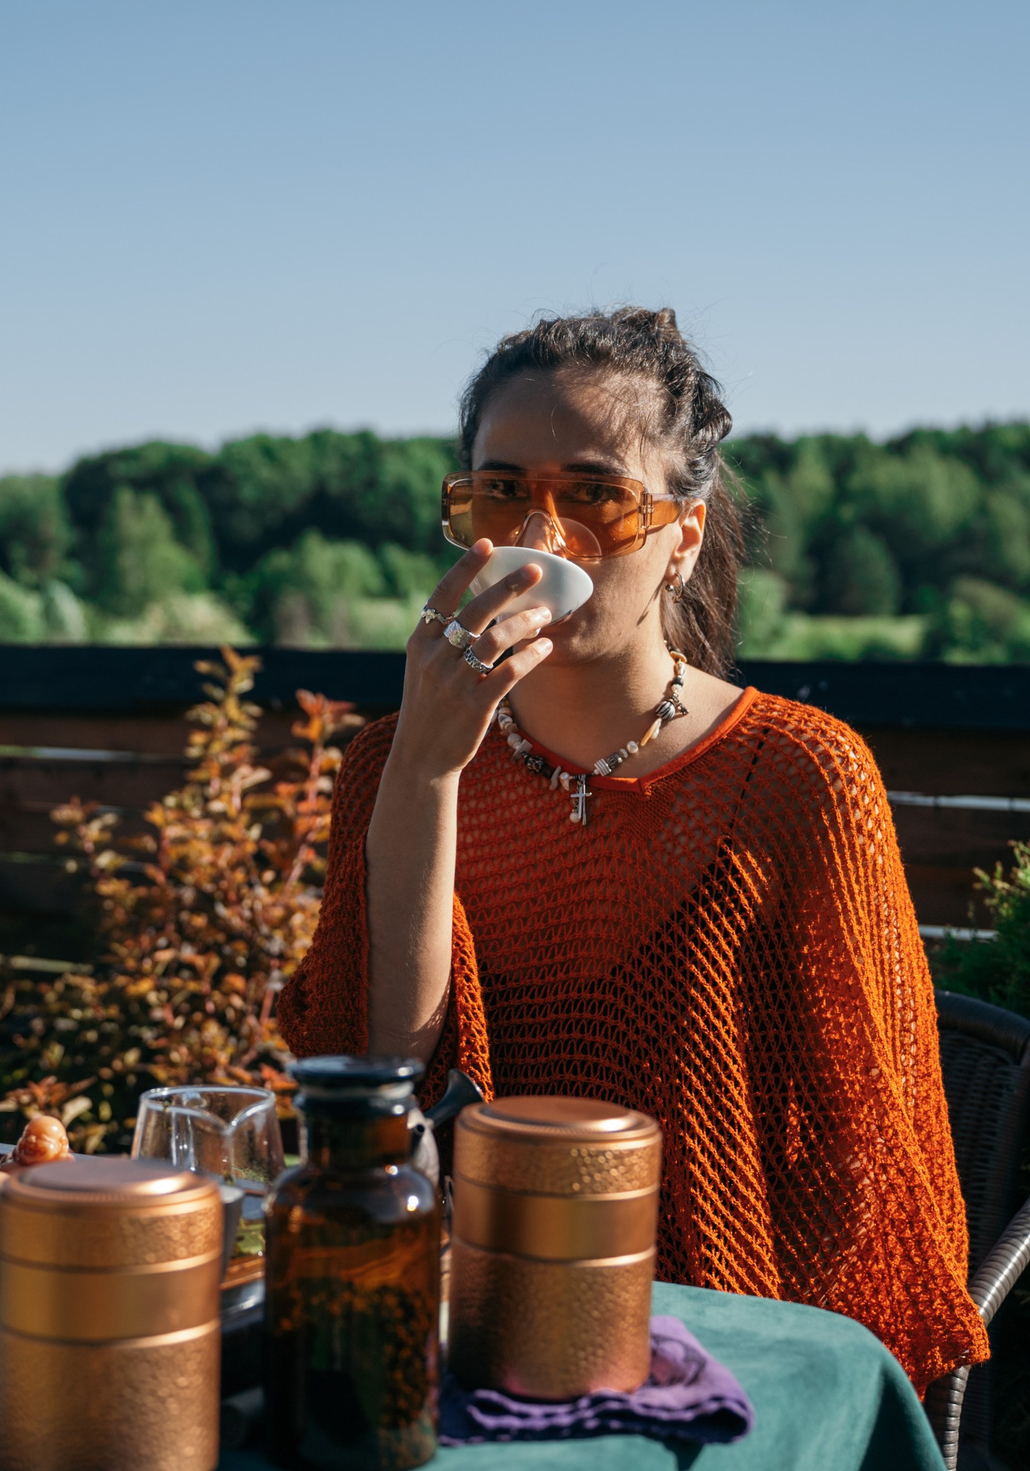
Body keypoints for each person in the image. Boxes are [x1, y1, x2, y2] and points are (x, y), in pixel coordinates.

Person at [278, 307, 989, 1386]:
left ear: (683, 536)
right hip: (453, 1341)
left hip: (726, 1353)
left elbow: (872, 1178)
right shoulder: (393, 762)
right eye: (501, 489)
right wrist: (424, 771)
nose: (539, 537)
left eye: (596, 494)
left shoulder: (802, 775)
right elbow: (379, 1095)